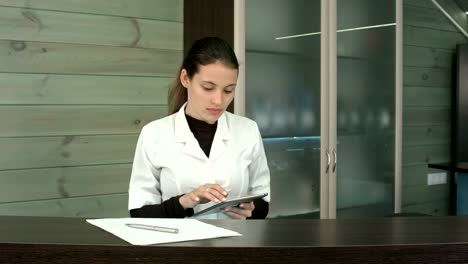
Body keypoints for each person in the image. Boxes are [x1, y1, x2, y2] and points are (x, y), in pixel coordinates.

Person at [128, 37, 270, 219]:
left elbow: (263, 202)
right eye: (208, 87)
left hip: (235, 244)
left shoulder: (248, 130)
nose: (219, 100)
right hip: (178, 245)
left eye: (228, 90)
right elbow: (139, 212)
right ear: (186, 78)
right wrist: (184, 202)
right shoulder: (154, 134)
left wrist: (250, 210)